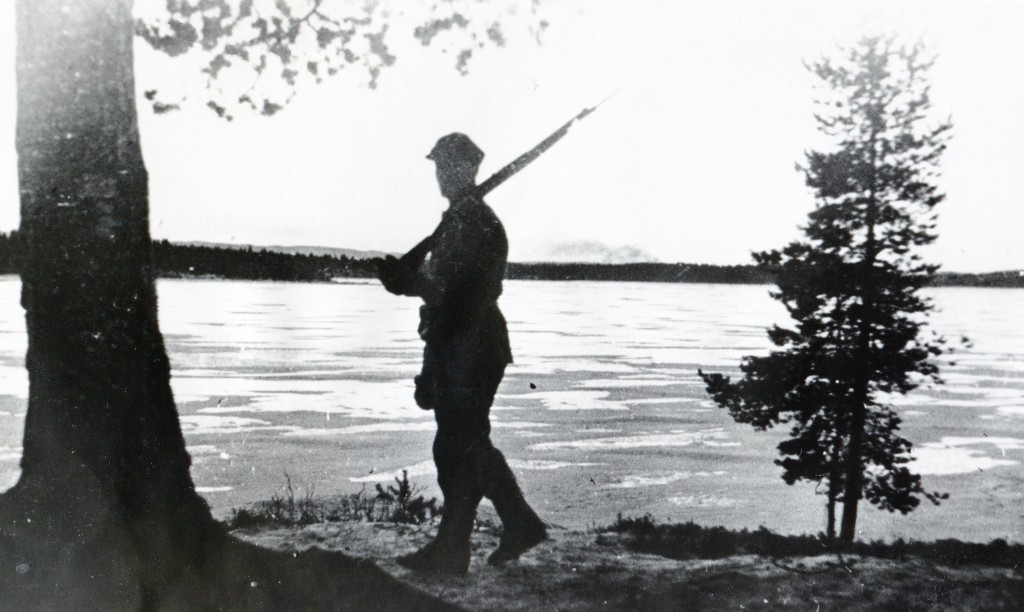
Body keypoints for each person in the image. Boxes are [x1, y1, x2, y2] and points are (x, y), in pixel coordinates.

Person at [377, 133, 547, 575]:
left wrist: (414, 284)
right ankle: (470, 541)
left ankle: (491, 534)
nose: (440, 175)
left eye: (446, 167)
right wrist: (407, 282)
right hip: (456, 342)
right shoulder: (458, 221)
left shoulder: (475, 223)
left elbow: (466, 295)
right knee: (460, 445)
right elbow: (440, 291)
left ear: (465, 170)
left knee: (460, 443)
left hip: (471, 343)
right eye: (438, 167)